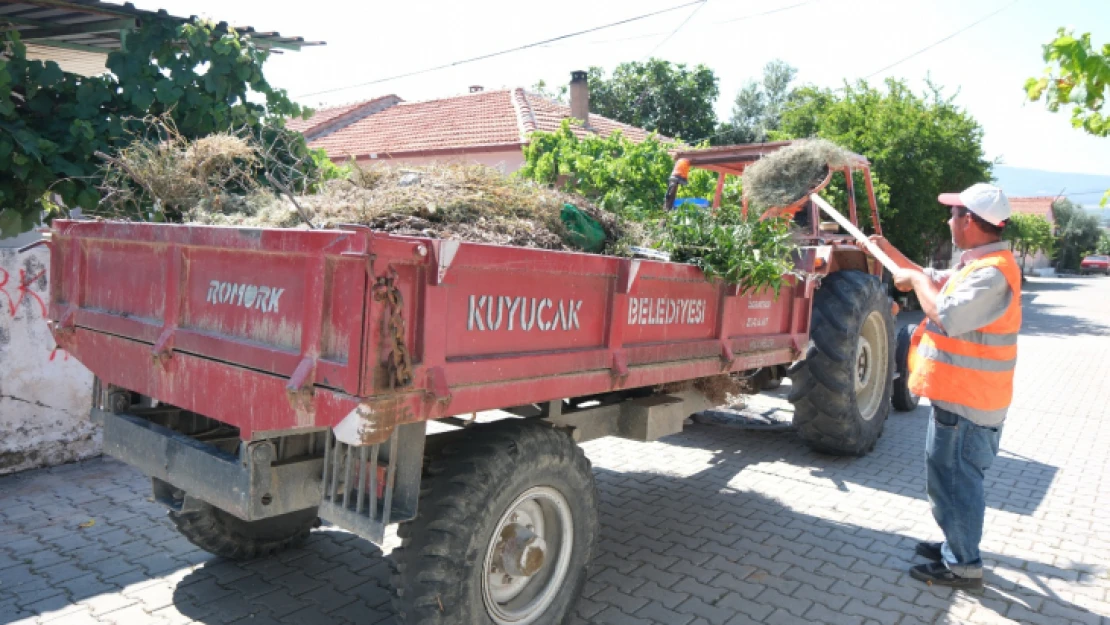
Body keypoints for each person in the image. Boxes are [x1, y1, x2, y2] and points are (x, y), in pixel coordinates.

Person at [861, 183, 1021, 590]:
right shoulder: (976, 265)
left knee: (958, 483)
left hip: (970, 404)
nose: (948, 221)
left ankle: (964, 565)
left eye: (953, 214)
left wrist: (915, 283)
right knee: (944, 479)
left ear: (969, 221)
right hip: (957, 396)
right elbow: (927, 277)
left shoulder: (992, 273)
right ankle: (955, 545)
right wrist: (888, 252)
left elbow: (945, 312)